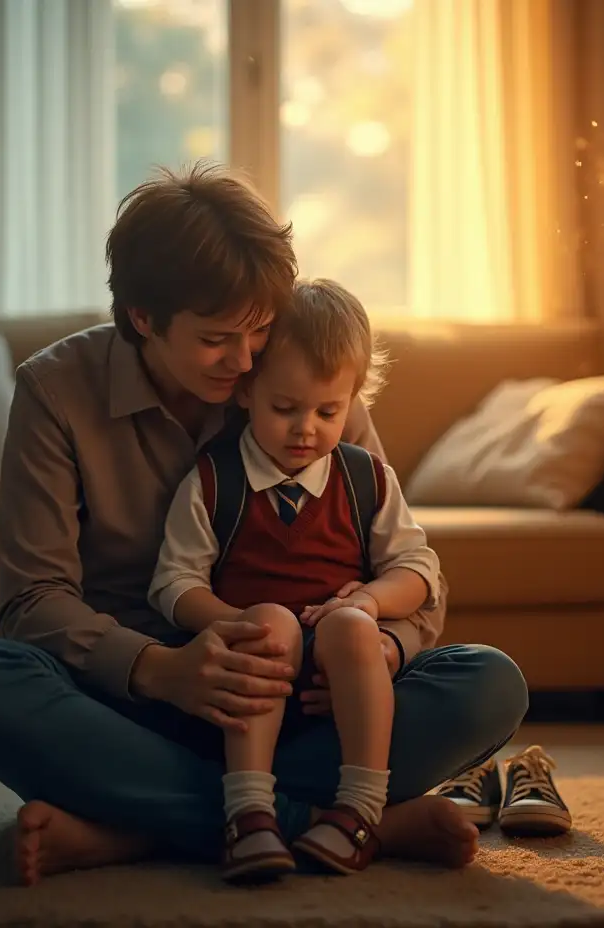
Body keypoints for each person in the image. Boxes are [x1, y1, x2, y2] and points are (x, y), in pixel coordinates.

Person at [0, 161, 530, 887]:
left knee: (490, 682)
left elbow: (405, 576)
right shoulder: (55, 391)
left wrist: (374, 657)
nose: (246, 362)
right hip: (133, 705)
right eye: (217, 340)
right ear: (145, 318)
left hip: (303, 700)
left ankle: (136, 827)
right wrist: (164, 672)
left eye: (259, 332)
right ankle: (341, 822)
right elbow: (32, 600)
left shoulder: (302, 377)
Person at [149, 278, 441, 882]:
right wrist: (236, 622)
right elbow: (173, 585)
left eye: (328, 411)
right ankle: (248, 813)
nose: (306, 428)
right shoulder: (212, 481)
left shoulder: (367, 480)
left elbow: (419, 570)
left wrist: (366, 601)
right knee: (273, 623)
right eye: (285, 408)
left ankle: (359, 810)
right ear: (246, 390)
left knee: (429, 655)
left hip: (346, 681)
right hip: (253, 675)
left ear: (354, 400)